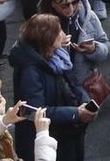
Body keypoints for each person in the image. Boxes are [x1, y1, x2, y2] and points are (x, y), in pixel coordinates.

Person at [7, 14, 96, 160]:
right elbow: (34, 111)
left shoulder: (57, 55)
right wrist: (75, 113)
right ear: (47, 39)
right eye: (58, 32)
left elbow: (72, 82)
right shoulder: (29, 71)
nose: (62, 34)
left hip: (67, 131)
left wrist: (85, 101)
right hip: (50, 136)